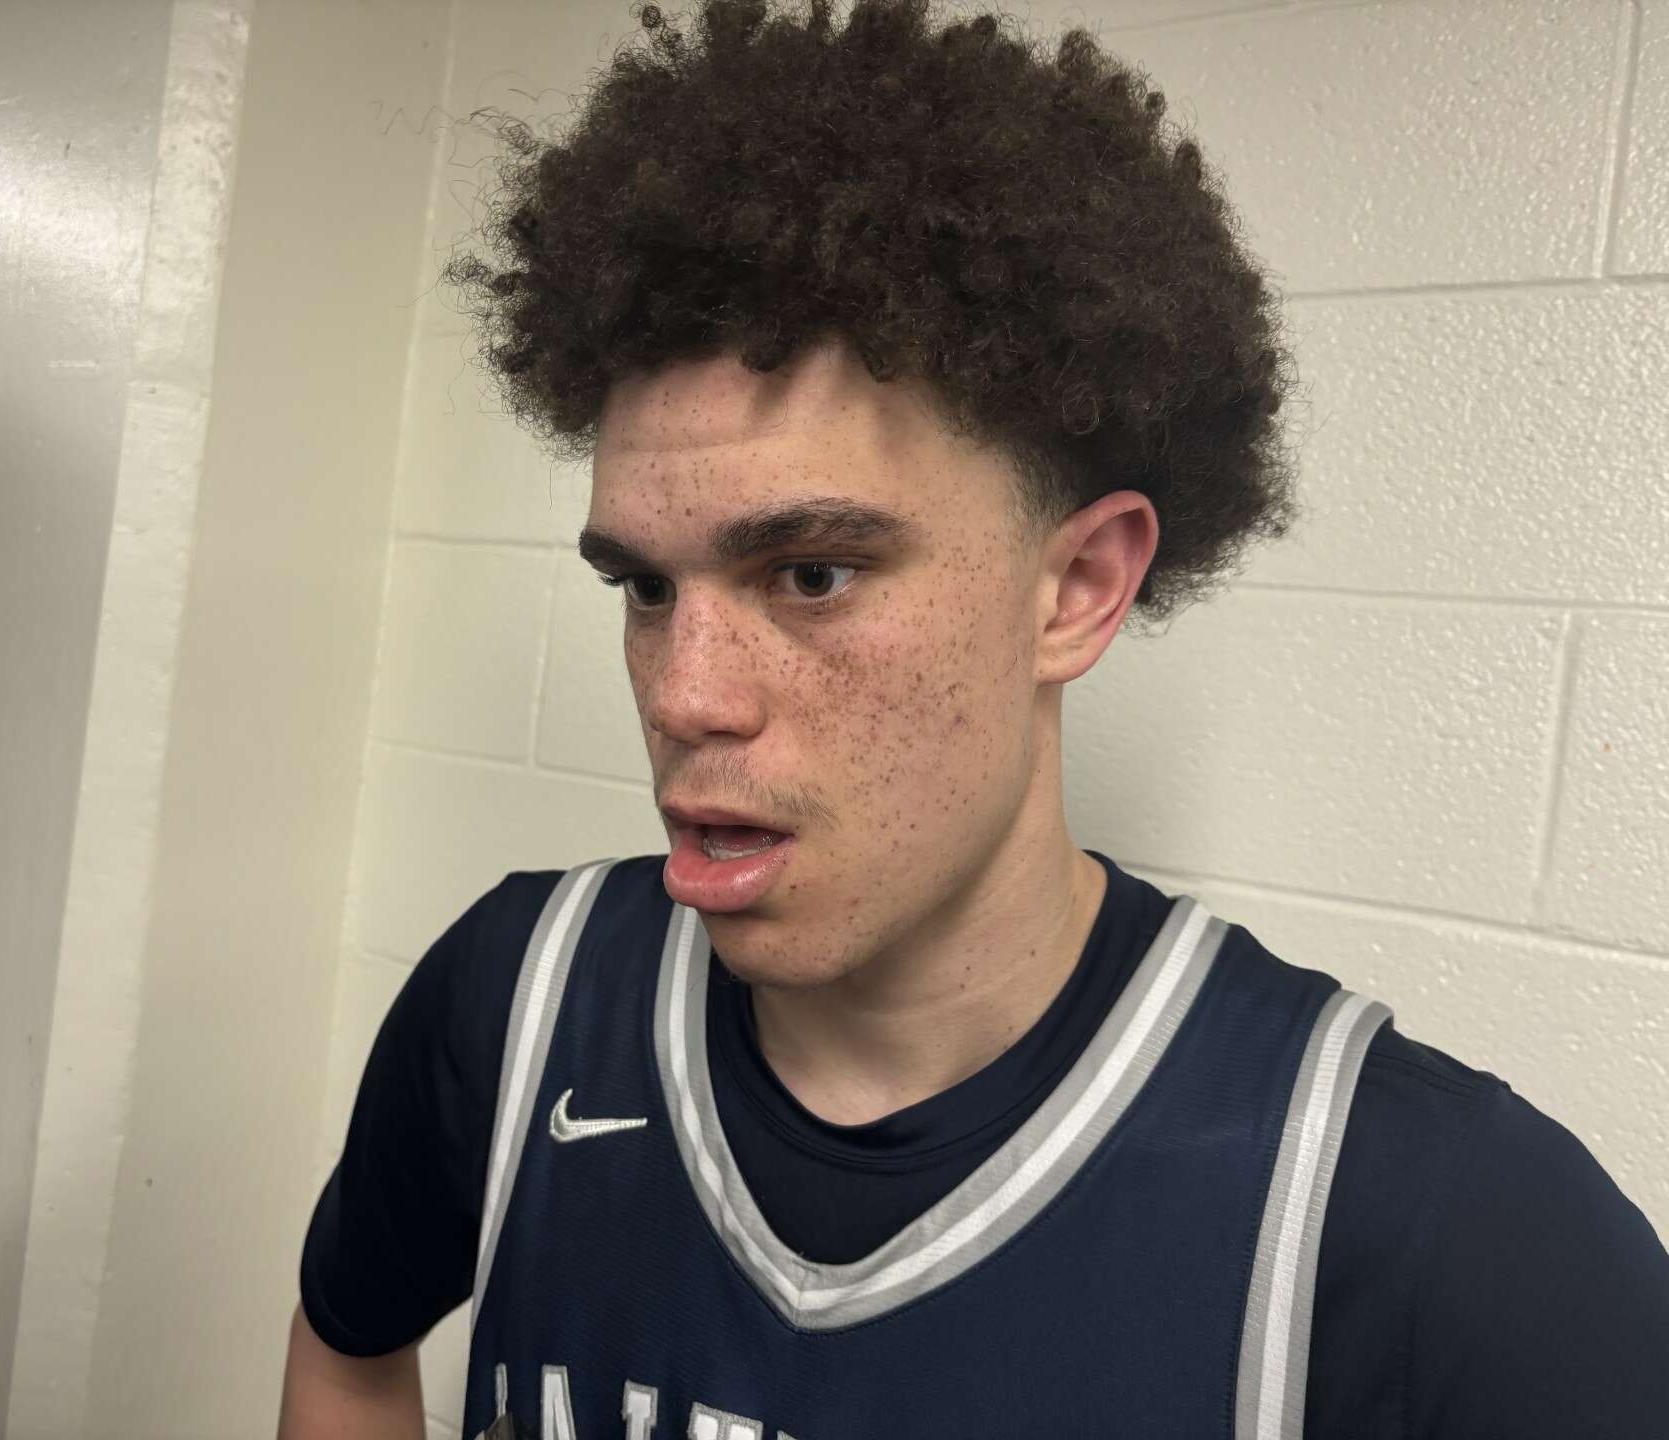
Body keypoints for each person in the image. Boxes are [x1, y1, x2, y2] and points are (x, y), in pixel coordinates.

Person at [276, 2, 1669, 1436]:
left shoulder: (1428, 1228)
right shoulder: (519, 1000)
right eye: (644, 586)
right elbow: (346, 1346)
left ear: (1077, 588)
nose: (685, 694)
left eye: (812, 574)